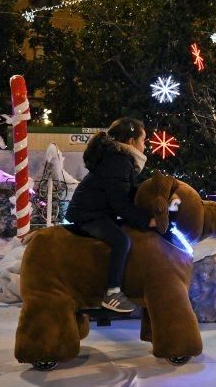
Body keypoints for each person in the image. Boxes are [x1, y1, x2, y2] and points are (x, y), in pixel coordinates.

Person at [65, 118, 157, 313]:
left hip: (96, 211)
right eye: (143, 140)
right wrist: (146, 220)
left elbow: (126, 192)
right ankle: (112, 292)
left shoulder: (120, 159)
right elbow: (120, 202)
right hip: (90, 214)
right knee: (121, 241)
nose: (145, 145)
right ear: (131, 142)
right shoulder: (118, 161)